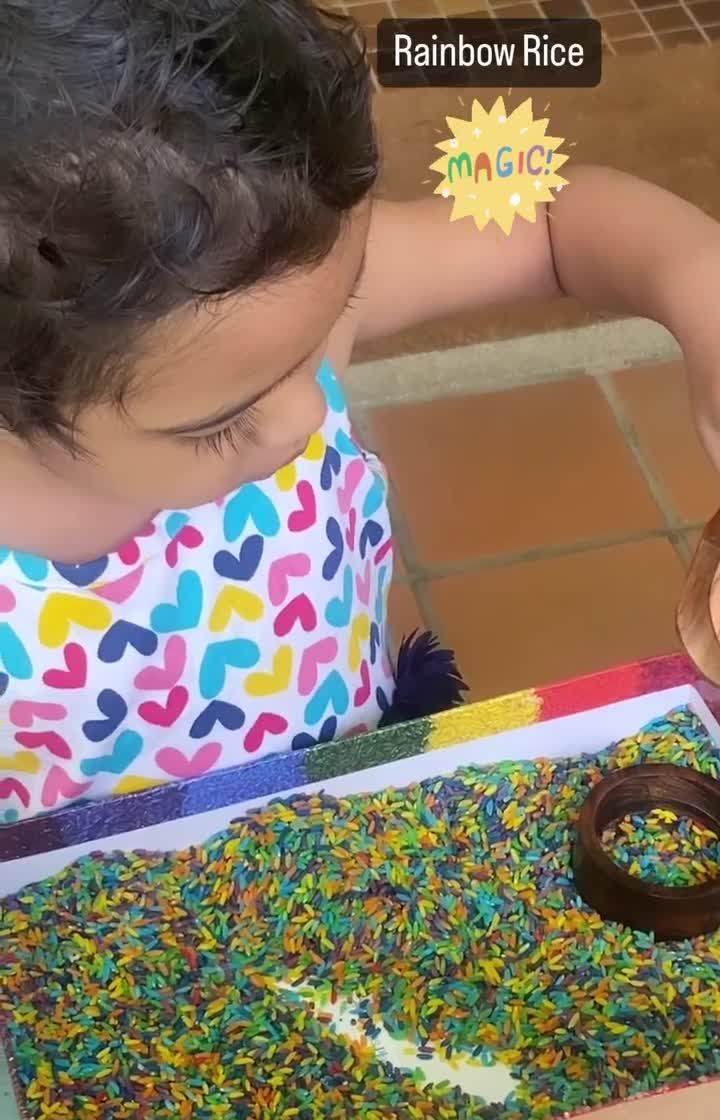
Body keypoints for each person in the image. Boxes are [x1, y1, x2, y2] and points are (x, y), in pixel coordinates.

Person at [0, 0, 718, 823]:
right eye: (220, 425)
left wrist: (700, 286)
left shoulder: (260, 311)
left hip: (351, 802)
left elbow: (552, 216)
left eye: (333, 318)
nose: (310, 412)